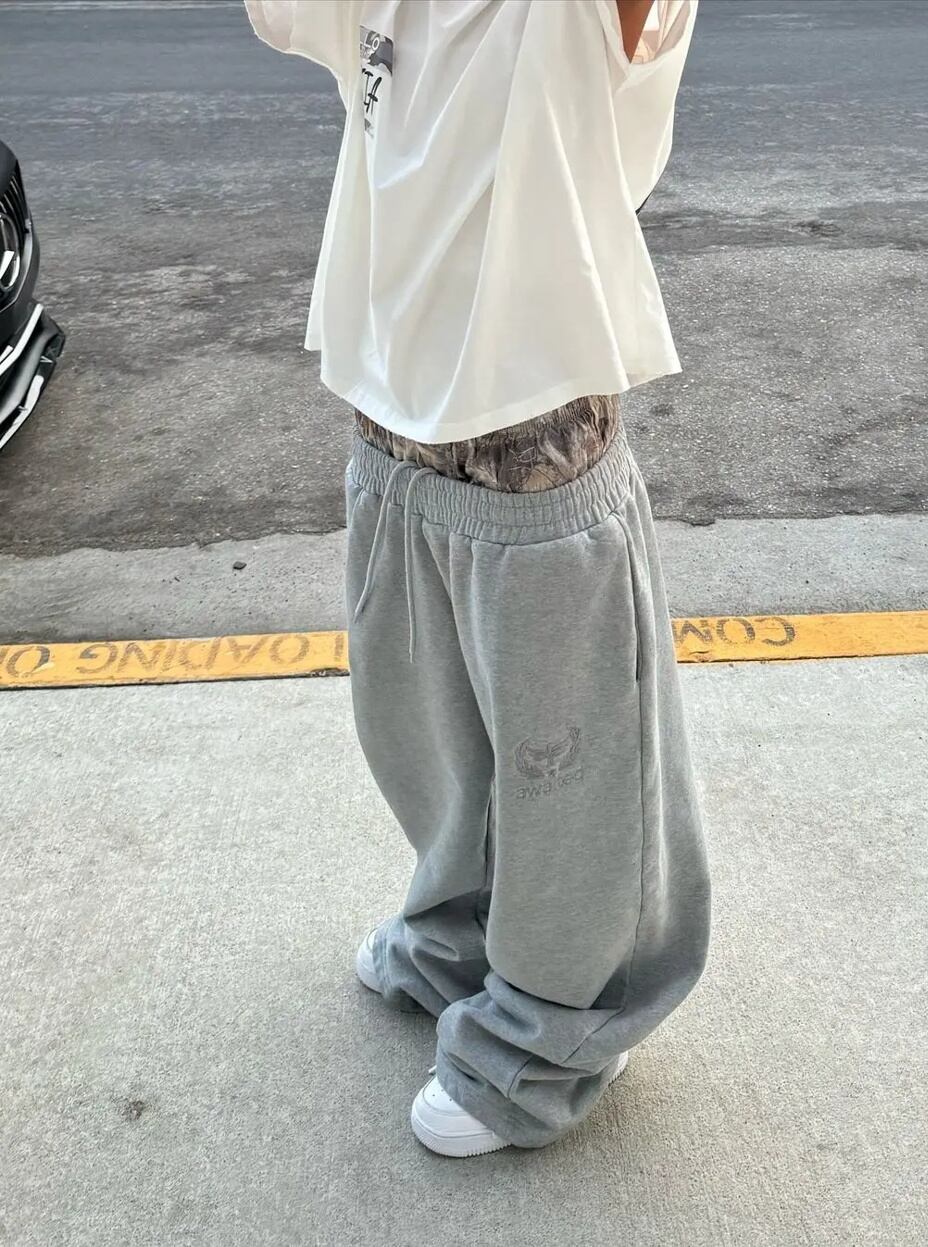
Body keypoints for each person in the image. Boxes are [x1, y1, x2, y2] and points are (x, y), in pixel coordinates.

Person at [244, 0, 711, 1156]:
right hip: (392, 408)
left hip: (530, 426)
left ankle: (545, 1038)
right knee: (419, 724)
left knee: (569, 767)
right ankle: (454, 940)